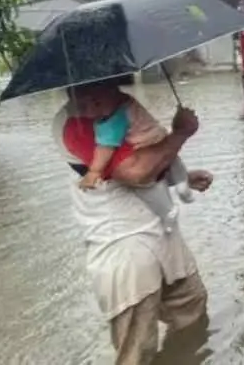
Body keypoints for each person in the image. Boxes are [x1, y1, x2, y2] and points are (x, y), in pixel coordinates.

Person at [53, 79, 212, 365]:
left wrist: (180, 178)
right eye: (86, 97)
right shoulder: (75, 123)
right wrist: (180, 133)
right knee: (137, 351)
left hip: (161, 232)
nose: (92, 104)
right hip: (124, 245)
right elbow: (135, 173)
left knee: (192, 310)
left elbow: (143, 159)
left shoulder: (120, 107)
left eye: (100, 94)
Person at [78, 93, 194, 232]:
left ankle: (168, 212)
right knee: (176, 167)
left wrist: (94, 171)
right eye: (84, 107)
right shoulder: (128, 102)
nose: (91, 112)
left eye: (97, 104)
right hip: (162, 140)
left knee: (147, 188)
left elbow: (105, 147)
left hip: (148, 151)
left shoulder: (113, 121)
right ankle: (183, 188)